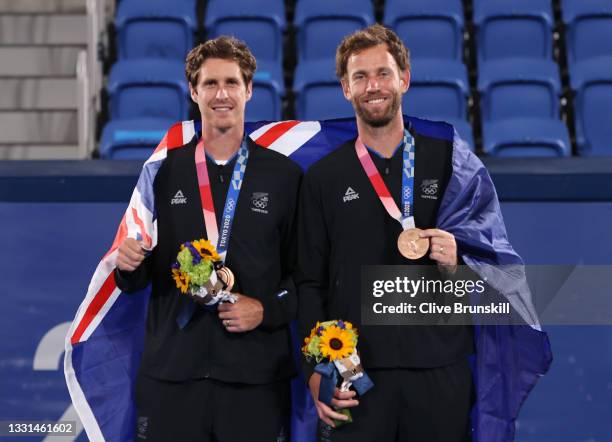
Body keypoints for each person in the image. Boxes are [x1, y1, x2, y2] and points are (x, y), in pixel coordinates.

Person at [115, 36, 301, 442]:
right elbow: (138, 276)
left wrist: (265, 310)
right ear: (193, 91)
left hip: (255, 379)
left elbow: (305, 279)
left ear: (249, 90)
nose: (222, 94)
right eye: (211, 84)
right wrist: (128, 264)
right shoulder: (163, 172)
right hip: (173, 376)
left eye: (232, 83)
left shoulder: (284, 177)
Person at [297, 24, 476, 441]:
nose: (372, 86)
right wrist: (315, 372)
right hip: (356, 379)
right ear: (345, 88)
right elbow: (308, 282)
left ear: (404, 79)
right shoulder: (323, 178)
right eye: (360, 76)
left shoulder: (451, 163)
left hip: (439, 372)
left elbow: (493, 269)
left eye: (383, 73)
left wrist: (457, 263)